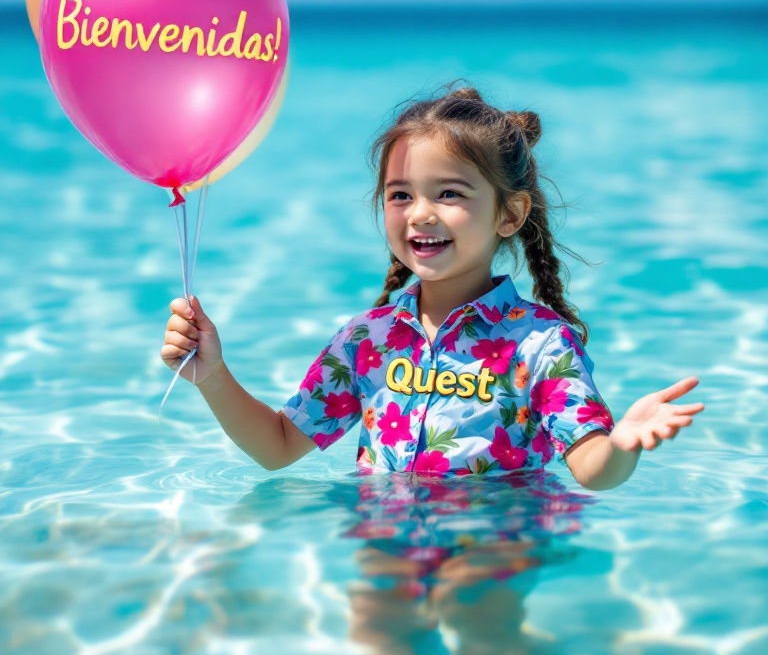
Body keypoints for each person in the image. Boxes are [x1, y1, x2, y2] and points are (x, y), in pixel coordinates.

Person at [161, 83, 705, 489]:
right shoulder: (366, 341)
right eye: (400, 195)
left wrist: (624, 444)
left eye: (448, 193)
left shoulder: (539, 345)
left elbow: (590, 470)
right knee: (380, 642)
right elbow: (278, 446)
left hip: (495, 551)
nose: (420, 214)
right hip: (385, 546)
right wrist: (213, 377)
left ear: (509, 215)